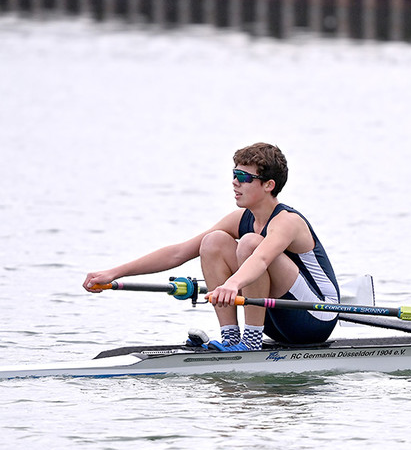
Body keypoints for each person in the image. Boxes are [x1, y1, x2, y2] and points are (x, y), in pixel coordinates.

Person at [83, 142, 339, 351]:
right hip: (275, 315)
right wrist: (114, 273)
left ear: (268, 185)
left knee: (250, 243)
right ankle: (231, 337)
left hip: (315, 316)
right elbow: (179, 253)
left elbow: (261, 259)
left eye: (243, 177)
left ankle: (251, 341)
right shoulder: (241, 219)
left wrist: (232, 284)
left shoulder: (287, 221)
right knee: (213, 241)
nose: (235, 182)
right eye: (234, 174)